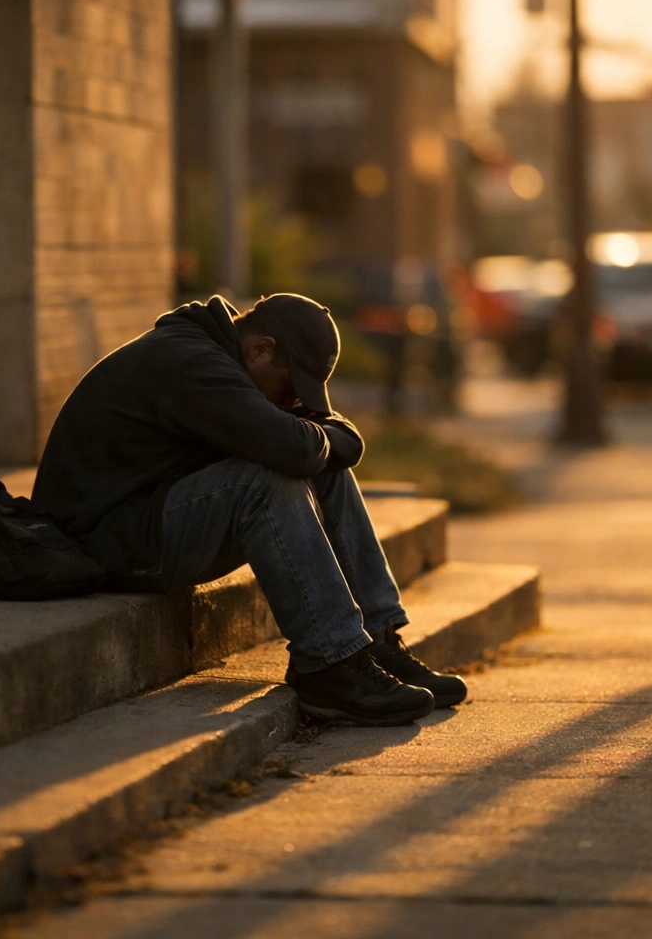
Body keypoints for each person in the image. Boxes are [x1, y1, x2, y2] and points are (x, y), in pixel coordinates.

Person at [32, 294, 467, 725]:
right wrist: (332, 436)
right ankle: (327, 664)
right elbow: (292, 447)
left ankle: (377, 641)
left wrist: (326, 437)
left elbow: (307, 440)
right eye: (289, 386)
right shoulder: (194, 365)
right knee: (265, 479)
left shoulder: (214, 353)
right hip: (106, 540)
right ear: (261, 349)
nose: (289, 401)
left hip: (148, 515)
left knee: (323, 467)